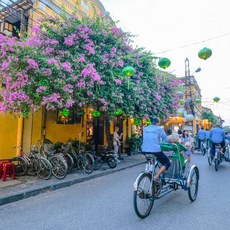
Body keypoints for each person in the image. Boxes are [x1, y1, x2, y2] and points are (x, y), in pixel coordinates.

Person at [141, 117, 171, 182]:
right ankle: (156, 176)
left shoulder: (145, 129)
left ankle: (149, 173)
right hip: (155, 151)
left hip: (144, 150)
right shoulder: (159, 129)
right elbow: (166, 139)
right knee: (167, 162)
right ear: (157, 123)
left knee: (151, 162)